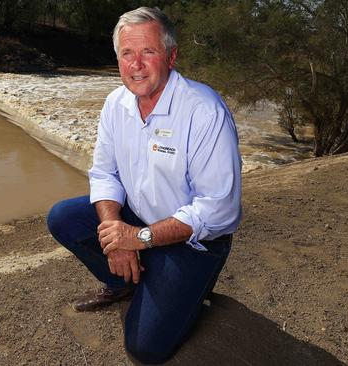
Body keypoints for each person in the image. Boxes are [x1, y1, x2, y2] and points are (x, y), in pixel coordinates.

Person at [47, 6, 242, 364]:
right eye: (127, 53)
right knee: (63, 217)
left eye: (148, 52)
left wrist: (139, 239)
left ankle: (188, 290)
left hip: (195, 240)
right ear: (118, 58)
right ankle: (127, 282)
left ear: (171, 55)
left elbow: (218, 208)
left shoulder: (204, 111)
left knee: (146, 349)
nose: (136, 64)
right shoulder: (115, 104)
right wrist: (114, 232)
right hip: (137, 219)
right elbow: (105, 174)